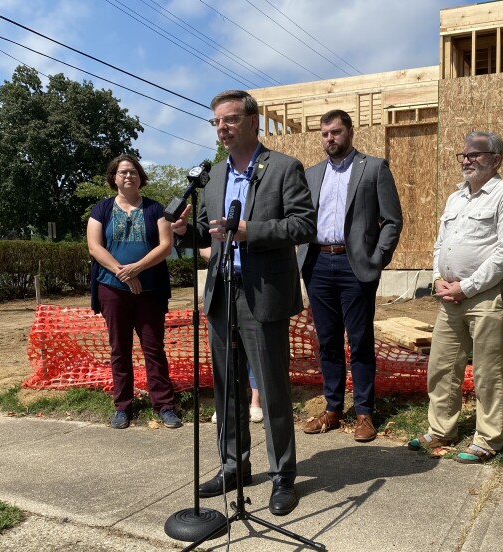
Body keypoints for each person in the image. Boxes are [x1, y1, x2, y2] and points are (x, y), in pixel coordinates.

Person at [171, 90, 316, 516]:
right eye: (217, 121)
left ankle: (282, 477)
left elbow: (303, 224)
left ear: (254, 121)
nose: (222, 128)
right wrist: (184, 231)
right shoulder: (212, 177)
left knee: (270, 388)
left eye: (231, 119)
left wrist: (253, 231)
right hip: (221, 291)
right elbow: (204, 232)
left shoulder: (284, 168)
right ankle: (234, 466)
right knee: (226, 386)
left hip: (263, 292)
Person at [408, 131, 503, 463]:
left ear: (496, 160)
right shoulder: (455, 198)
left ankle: (489, 439)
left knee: (488, 371)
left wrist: (467, 287)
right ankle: (441, 430)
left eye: (475, 154)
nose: (466, 160)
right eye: (463, 154)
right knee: (442, 366)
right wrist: (437, 279)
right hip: (449, 297)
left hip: (485, 297)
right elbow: (439, 245)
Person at [297, 109, 402, 443]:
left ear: (350, 132)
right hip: (317, 264)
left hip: (355, 265)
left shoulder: (373, 168)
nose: (330, 138)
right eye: (325, 133)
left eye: (336, 132)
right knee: (326, 341)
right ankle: (332, 409)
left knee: (359, 341)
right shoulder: (311, 175)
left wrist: (377, 259)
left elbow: (392, 220)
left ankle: (364, 413)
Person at [87, 154, 183, 430]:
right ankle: (123, 406)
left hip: (150, 290)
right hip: (112, 289)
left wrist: (136, 269)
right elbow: (95, 247)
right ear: (113, 178)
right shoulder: (101, 209)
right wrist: (122, 273)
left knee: (153, 348)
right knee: (120, 349)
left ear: (141, 177)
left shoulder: (155, 209)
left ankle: (165, 405)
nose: (128, 176)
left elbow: (165, 246)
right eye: (122, 172)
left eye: (133, 172)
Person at [199, 246, 263, 425]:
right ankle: (226, 405)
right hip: (222, 284)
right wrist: (220, 254)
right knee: (226, 354)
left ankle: (256, 400)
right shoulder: (215, 217)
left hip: (256, 283)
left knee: (255, 353)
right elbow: (202, 244)